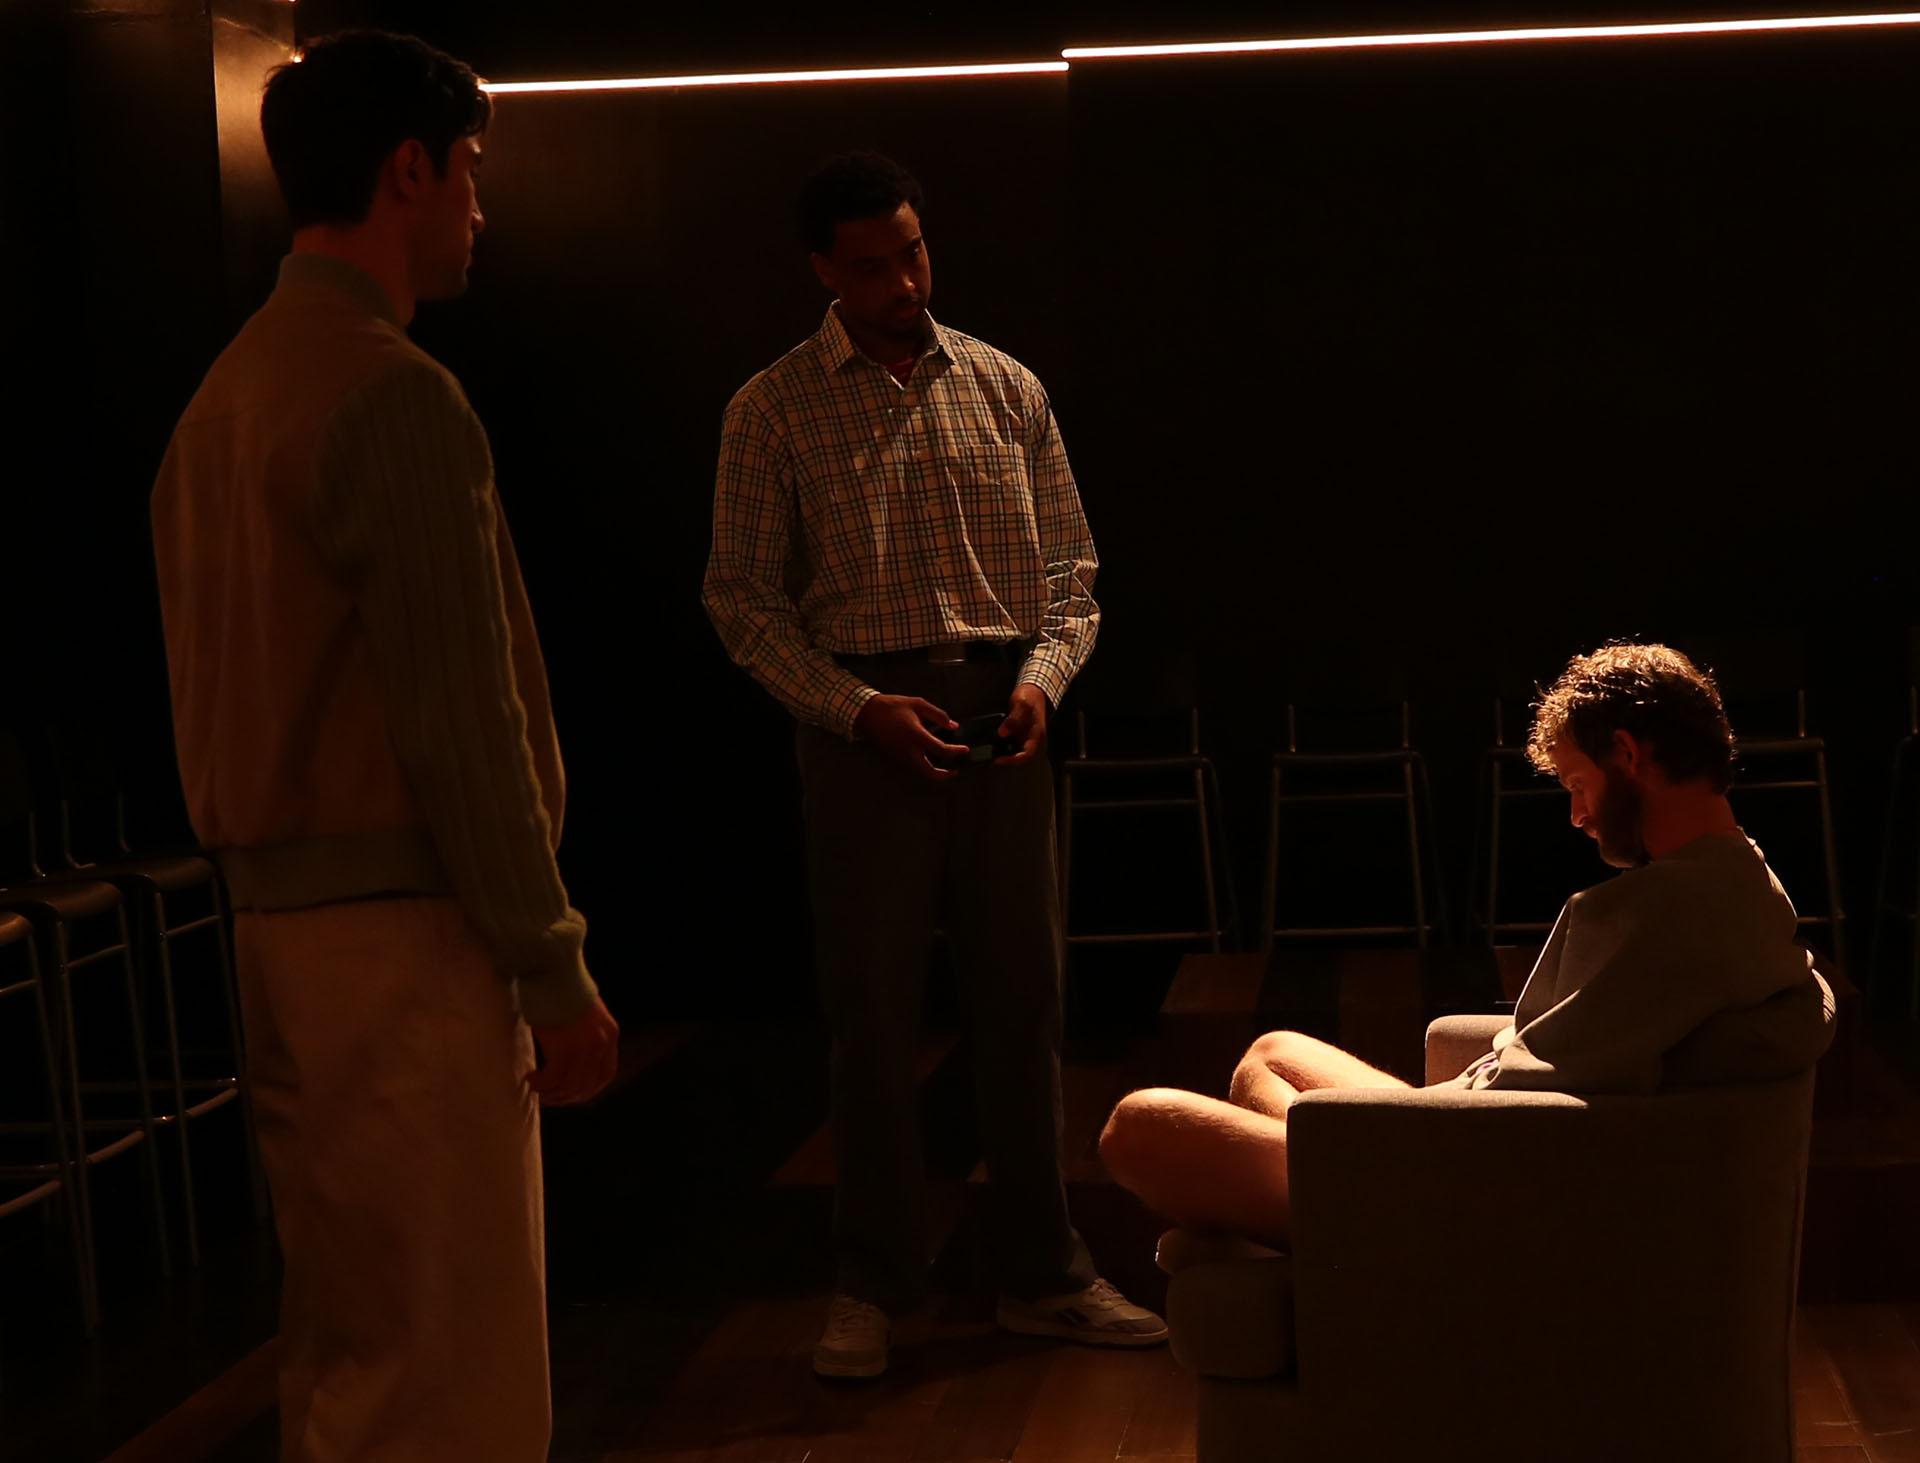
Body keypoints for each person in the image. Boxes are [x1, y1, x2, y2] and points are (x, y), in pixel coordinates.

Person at [150, 31, 619, 1461]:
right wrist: (550, 957)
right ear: (408, 169)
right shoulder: (390, 391)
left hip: (278, 932)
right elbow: (462, 718)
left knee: (357, 1336)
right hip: (408, 934)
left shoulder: (223, 399)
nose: (480, 203)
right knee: (452, 1361)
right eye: (469, 168)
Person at [703, 150, 1165, 1379]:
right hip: (865, 726)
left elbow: (1072, 575)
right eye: (872, 266)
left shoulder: (1005, 386)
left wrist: (1041, 681)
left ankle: (1042, 1270)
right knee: (872, 1013)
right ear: (823, 268)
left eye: (912, 252)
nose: (904, 282)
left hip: (1001, 711)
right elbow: (742, 599)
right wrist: (855, 709)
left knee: (1025, 1001)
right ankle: (874, 1280)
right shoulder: (773, 408)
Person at [1099, 642, 1834, 1248]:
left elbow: (1531, 1108)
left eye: (1578, 784)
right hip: (1474, 1131)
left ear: (1627, 754)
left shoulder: (1667, 910)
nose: (1577, 815)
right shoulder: (1743, 877)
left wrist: (1393, 1125)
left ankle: (1332, 1236)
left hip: (1469, 1181)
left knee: (1138, 1128)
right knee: (1273, 1052)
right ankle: (1299, 1228)